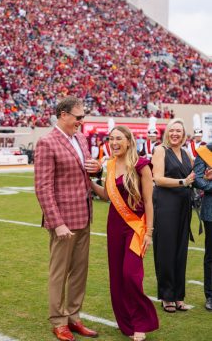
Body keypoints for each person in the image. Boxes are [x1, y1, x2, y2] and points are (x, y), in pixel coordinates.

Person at [35, 96, 100, 341]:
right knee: (59, 273)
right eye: (78, 117)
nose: (81, 122)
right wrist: (57, 222)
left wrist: (97, 169)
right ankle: (58, 321)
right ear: (63, 114)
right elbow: (43, 188)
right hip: (63, 220)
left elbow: (86, 172)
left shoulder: (81, 139)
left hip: (84, 214)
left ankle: (73, 317)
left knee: (80, 272)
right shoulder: (47, 142)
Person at [91, 126, 158, 341]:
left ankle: (141, 322)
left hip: (136, 226)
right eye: (111, 139)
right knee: (117, 277)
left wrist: (149, 232)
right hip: (114, 225)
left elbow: (148, 201)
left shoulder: (141, 165)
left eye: (119, 138)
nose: (114, 142)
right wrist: (88, 181)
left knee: (131, 275)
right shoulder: (110, 165)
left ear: (129, 141)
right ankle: (126, 322)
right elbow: (106, 196)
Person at [152, 118, 195, 313]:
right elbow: (158, 178)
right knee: (166, 250)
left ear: (184, 134)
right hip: (166, 205)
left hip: (183, 206)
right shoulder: (161, 150)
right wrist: (182, 182)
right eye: (172, 130)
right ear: (167, 133)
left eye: (179, 131)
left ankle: (178, 295)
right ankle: (167, 296)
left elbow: (196, 175)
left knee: (180, 251)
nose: (175, 134)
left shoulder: (186, 153)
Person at [193, 142, 212, 311]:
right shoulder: (205, 152)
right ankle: (210, 295)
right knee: (211, 255)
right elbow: (197, 179)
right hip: (211, 211)